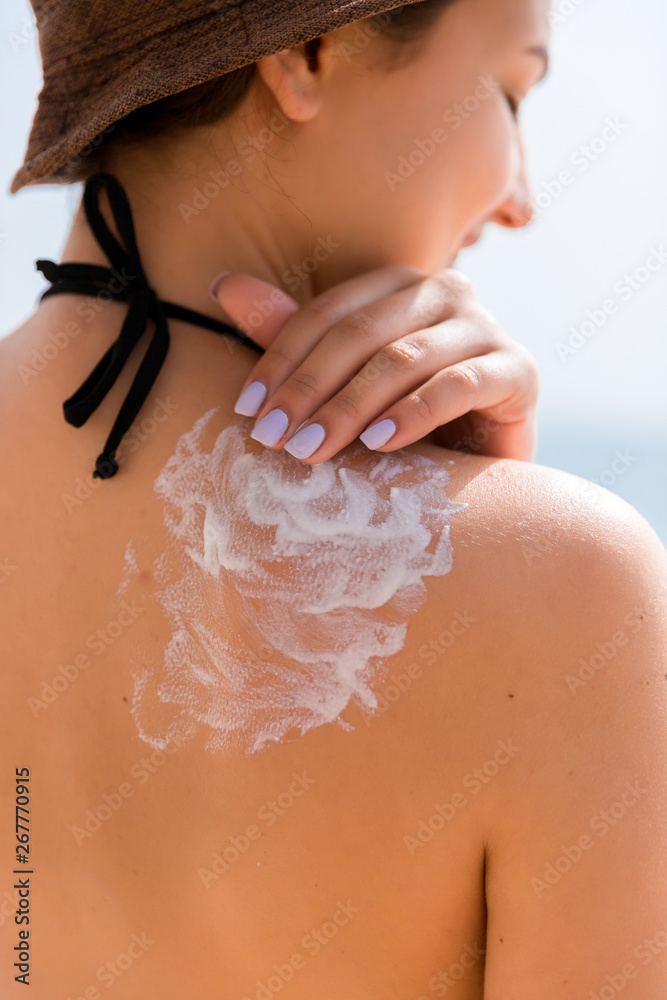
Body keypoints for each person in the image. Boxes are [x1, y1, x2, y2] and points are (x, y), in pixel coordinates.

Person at [1, 0, 666, 997]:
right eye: (510, 91)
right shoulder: (571, 584)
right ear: (308, 53)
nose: (521, 198)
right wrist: (510, 530)